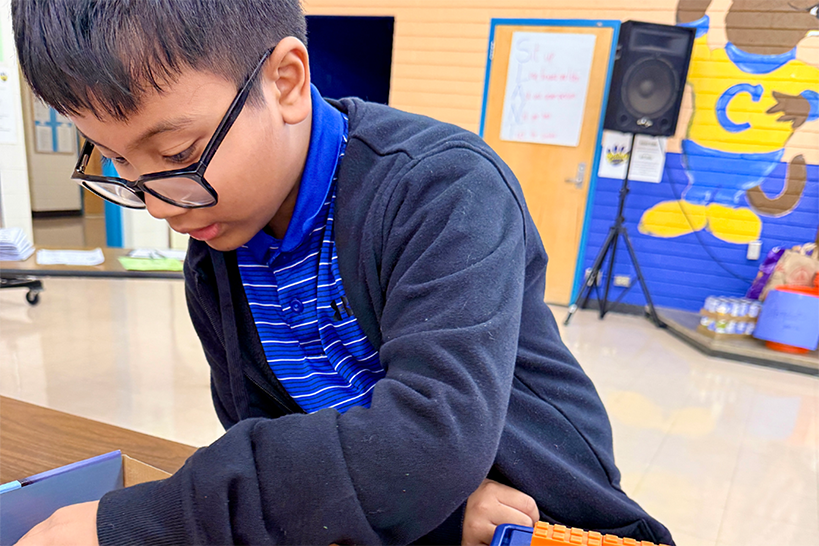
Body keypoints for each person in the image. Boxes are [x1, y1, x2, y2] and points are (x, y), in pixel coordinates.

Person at [11, 1, 675, 545]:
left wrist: (148, 524)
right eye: (120, 164)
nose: (158, 204)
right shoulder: (216, 251)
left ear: (287, 81)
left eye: (177, 154)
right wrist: (438, 516)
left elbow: (430, 437)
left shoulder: (441, 188)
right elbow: (273, 441)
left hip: (548, 520)